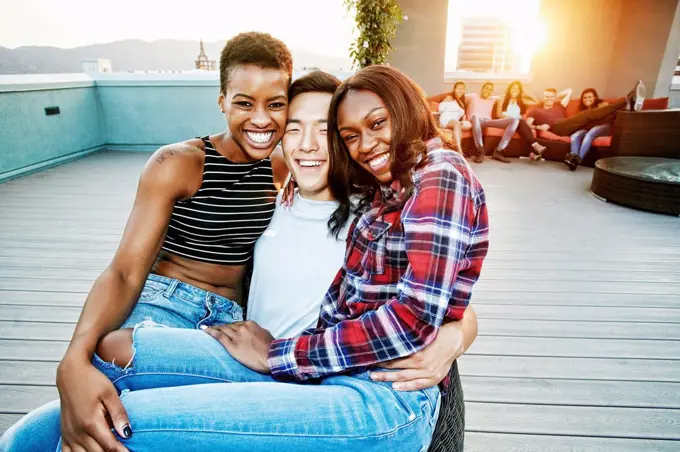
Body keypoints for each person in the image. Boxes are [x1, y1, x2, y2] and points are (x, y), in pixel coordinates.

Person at [0, 69, 482, 451]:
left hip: (314, 377)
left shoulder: (379, 205)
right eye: (294, 128)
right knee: (61, 406)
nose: (309, 144)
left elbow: (437, 296)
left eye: (325, 131)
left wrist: (456, 336)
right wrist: (72, 362)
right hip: (271, 363)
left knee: (117, 426)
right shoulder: (280, 191)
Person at [526, 82, 646, 170]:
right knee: (589, 114)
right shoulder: (536, 110)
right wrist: (539, 127)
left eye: (552, 96)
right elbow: (527, 125)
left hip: (569, 125)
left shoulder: (559, 105)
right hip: (557, 127)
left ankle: (627, 106)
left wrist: (555, 98)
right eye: (547, 96)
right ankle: (626, 100)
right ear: (543, 97)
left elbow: (569, 91)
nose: (550, 99)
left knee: (593, 118)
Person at [466, 81, 518, 164]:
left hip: (487, 122)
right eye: (486, 88)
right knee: (475, 116)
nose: (488, 91)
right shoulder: (473, 96)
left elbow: (510, 95)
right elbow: (458, 95)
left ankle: (499, 150)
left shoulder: (493, 99)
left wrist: (522, 94)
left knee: (515, 120)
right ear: (482, 89)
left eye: (490, 90)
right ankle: (480, 150)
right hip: (475, 120)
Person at [496, 80, 546, 161]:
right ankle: (535, 145)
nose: (515, 90)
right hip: (506, 121)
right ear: (509, 89)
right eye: (513, 88)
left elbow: (537, 102)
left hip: (517, 124)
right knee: (521, 121)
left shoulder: (521, 101)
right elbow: (498, 114)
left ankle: (531, 153)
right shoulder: (502, 99)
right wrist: (512, 118)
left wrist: (525, 94)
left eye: (517, 89)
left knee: (522, 126)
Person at [437, 81, 471, 154]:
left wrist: (463, 120)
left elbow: (462, 116)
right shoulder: (449, 97)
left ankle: (453, 149)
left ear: (464, 90)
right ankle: (459, 150)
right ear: (454, 89)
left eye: (462, 89)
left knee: (468, 125)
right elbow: (440, 109)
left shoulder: (463, 102)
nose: (460, 91)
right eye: (458, 88)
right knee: (457, 124)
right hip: (446, 118)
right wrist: (445, 102)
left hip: (455, 121)